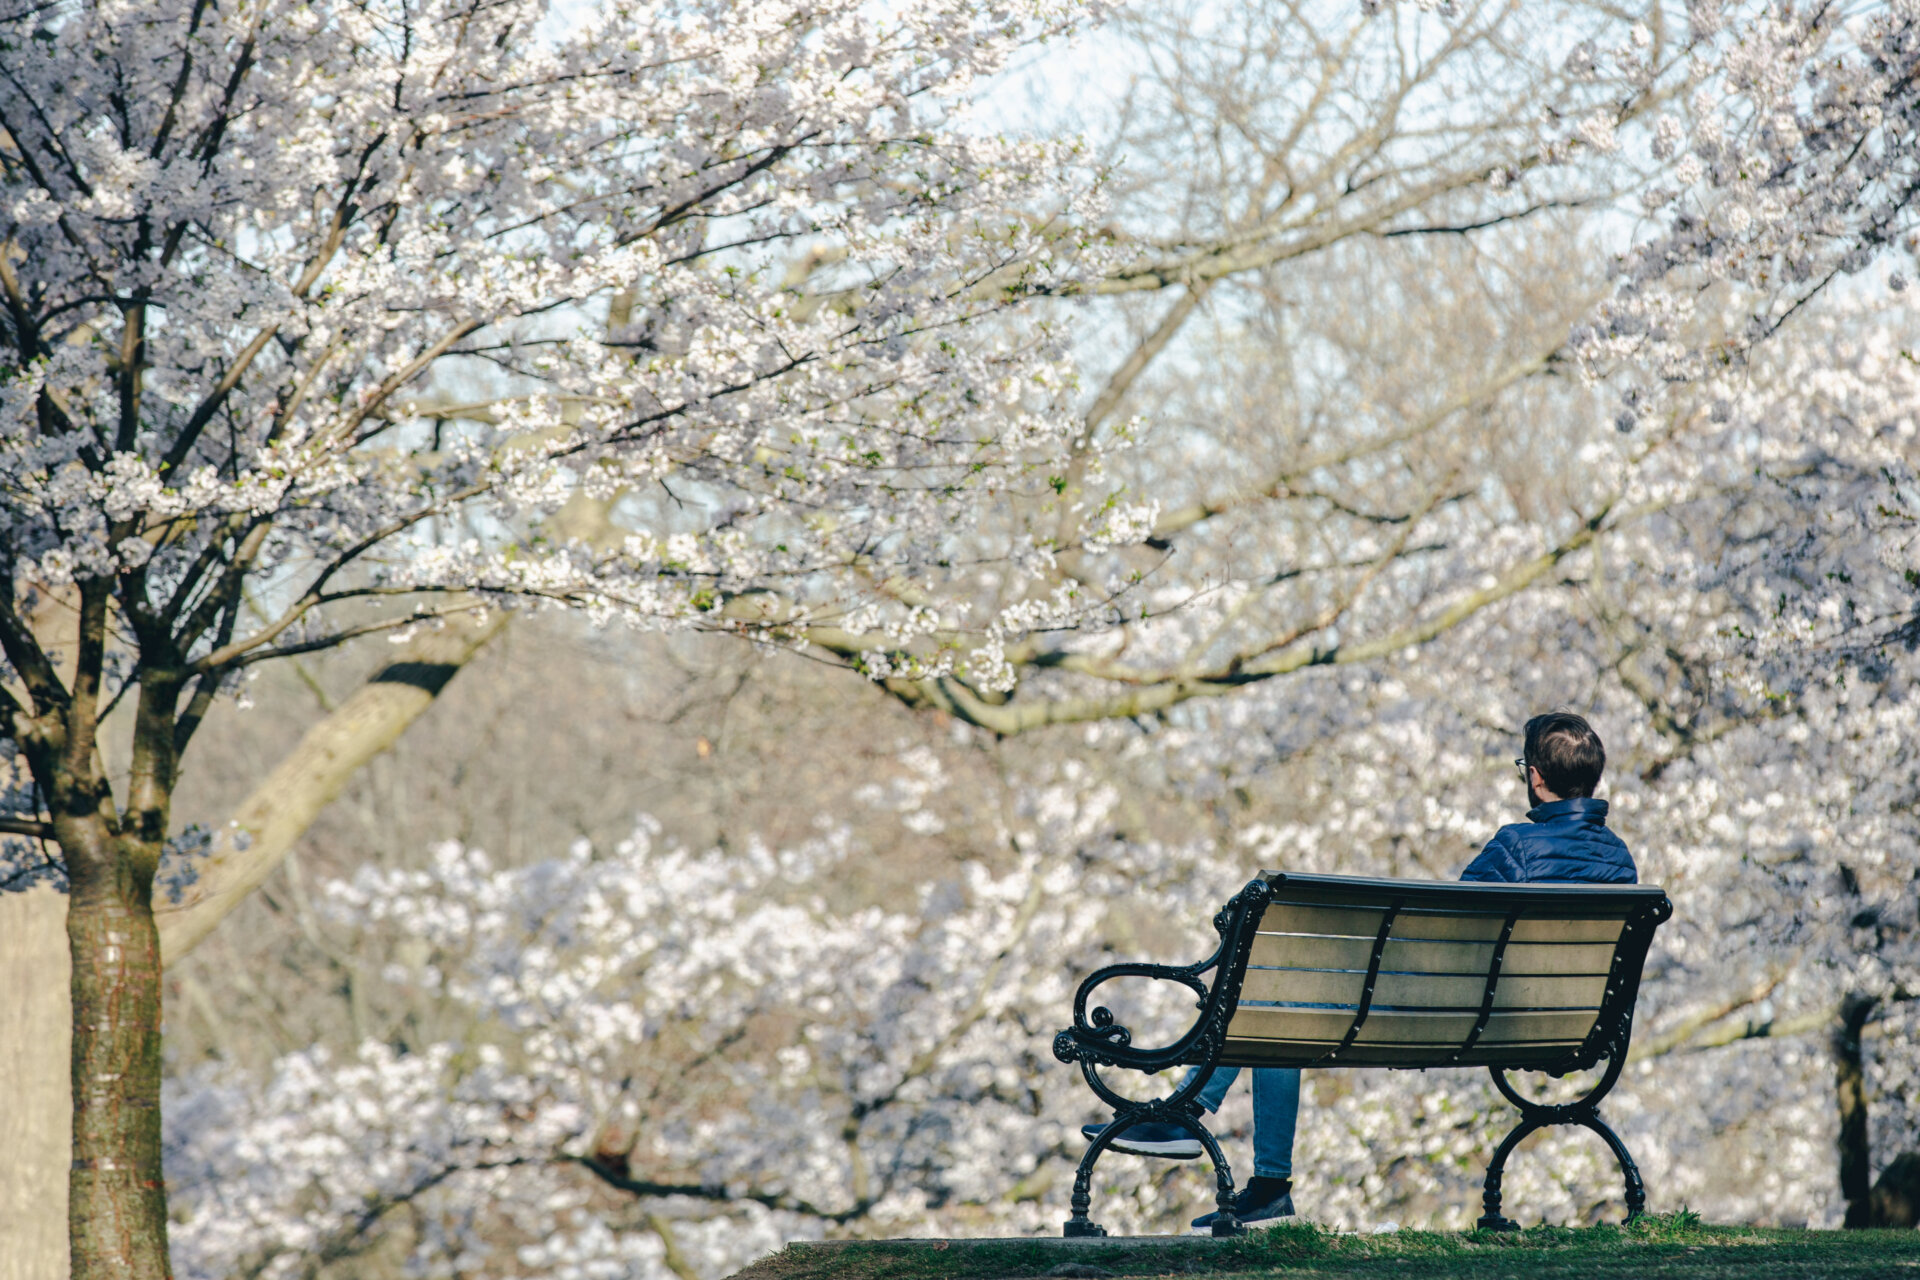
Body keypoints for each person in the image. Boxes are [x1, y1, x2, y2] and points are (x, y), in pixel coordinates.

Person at [1077, 710, 1636, 1231]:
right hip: (1566, 1028)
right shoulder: (1620, 860)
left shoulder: (1516, 846)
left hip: (1451, 1019)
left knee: (1275, 1001)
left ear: (1536, 779)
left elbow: (1455, 931)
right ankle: (1232, 1157)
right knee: (1277, 1001)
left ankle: (1202, 1125)